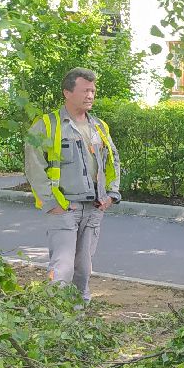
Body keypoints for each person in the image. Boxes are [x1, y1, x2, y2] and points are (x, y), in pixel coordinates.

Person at [23, 67, 122, 304]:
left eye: (93, 91)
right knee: (62, 267)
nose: (90, 95)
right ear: (67, 92)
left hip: (94, 208)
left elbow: (113, 161)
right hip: (65, 208)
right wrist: (52, 203)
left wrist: (111, 194)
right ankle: (55, 314)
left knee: (84, 268)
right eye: (85, 90)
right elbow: (34, 167)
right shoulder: (46, 125)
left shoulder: (99, 126)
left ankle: (79, 314)